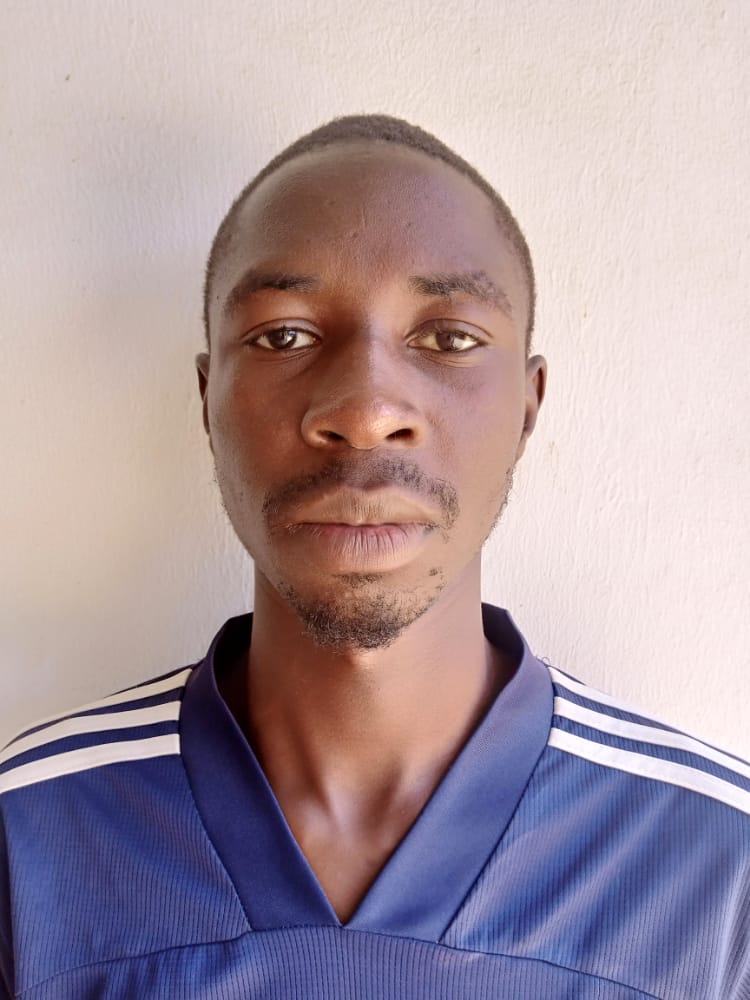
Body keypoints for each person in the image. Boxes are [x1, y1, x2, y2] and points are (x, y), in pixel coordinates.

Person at [0, 115, 748, 1000]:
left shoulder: (719, 871)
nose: (364, 410)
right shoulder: (28, 842)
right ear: (208, 398)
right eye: (284, 335)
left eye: (449, 338)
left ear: (528, 406)